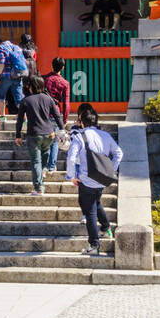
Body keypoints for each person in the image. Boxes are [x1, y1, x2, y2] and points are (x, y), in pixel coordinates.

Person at [66, 107, 123, 253]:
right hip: (102, 179)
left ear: (82, 122)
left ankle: (94, 245)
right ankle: (105, 228)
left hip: (86, 179)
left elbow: (71, 157)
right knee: (96, 203)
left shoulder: (80, 136)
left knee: (89, 210)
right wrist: (112, 169)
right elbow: (119, 153)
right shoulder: (105, 135)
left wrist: (71, 176)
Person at [14, 75, 64, 195]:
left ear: (30, 87)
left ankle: (38, 188)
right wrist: (62, 129)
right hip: (49, 135)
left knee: (36, 161)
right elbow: (57, 116)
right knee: (44, 157)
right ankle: (43, 172)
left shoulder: (26, 101)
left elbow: (20, 120)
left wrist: (18, 135)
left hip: (34, 135)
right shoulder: (48, 99)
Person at [43, 57, 71, 175]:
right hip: (55, 113)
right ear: (63, 68)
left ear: (52, 65)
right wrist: (64, 119)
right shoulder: (64, 83)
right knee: (54, 140)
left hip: (42, 112)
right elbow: (66, 103)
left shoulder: (43, 79)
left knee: (44, 139)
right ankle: (51, 166)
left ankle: (43, 165)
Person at [0, 35, 27, 123]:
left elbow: (2, 64)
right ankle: (24, 118)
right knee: (19, 97)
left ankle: (2, 117)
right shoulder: (17, 48)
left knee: (1, 96)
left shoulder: (1, 49)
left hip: (6, 76)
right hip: (18, 75)